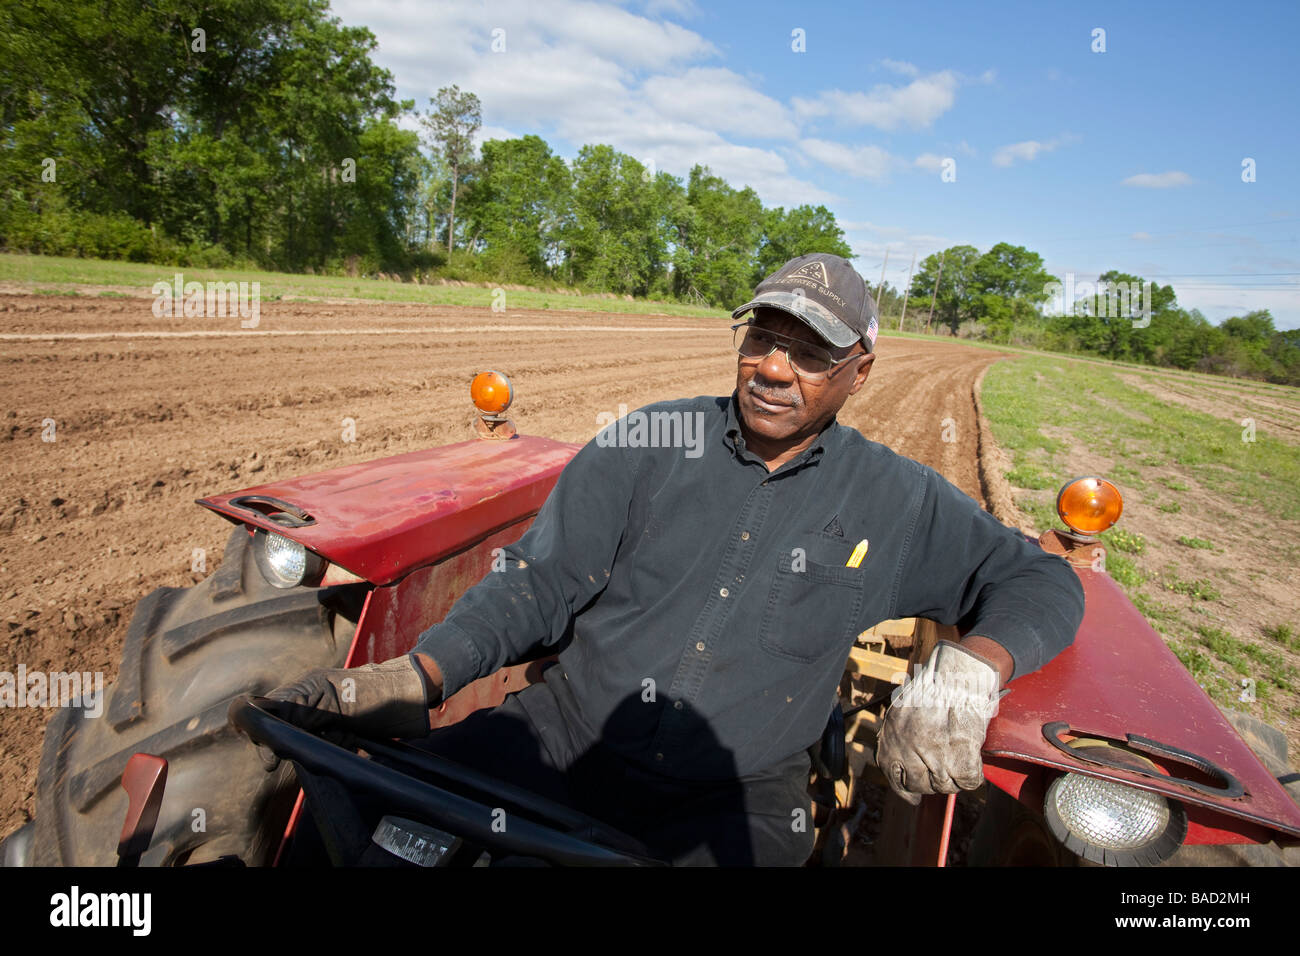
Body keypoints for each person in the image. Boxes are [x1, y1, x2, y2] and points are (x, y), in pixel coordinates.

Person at [267, 253, 1085, 865]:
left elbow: (1039, 578)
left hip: (739, 791)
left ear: (859, 373)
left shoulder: (896, 498)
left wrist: (977, 662)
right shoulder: (649, 440)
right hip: (563, 737)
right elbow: (538, 580)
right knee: (357, 830)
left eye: (808, 352)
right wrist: (419, 676)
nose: (771, 366)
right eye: (762, 336)